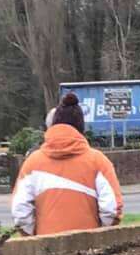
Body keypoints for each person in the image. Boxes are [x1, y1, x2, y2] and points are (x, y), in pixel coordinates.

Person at [11, 93, 123, 236]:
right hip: (89, 249)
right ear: (81, 127)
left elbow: (20, 211)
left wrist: (34, 236)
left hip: (47, 247)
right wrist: (98, 235)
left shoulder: (32, 163)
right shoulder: (98, 161)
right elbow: (111, 210)